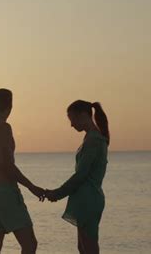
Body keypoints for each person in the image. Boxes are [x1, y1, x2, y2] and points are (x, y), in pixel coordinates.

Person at [0, 88, 45, 254]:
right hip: (5, 191)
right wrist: (31, 187)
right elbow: (6, 164)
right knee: (29, 244)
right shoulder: (3, 127)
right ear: (11, 105)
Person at [45, 100, 110, 254]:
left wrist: (58, 193)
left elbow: (81, 175)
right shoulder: (90, 138)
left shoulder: (93, 140)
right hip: (85, 198)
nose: (71, 125)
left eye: (72, 119)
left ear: (83, 115)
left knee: (89, 247)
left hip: (89, 199)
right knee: (83, 247)